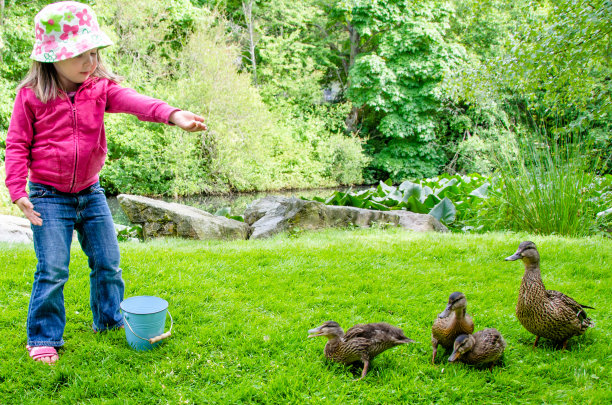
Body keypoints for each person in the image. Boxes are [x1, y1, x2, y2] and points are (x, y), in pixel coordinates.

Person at [4, 1, 207, 365]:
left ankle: (110, 322)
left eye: (94, 53)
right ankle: (44, 337)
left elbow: (134, 101)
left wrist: (173, 114)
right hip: (48, 196)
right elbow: (17, 144)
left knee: (108, 262)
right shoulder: (31, 95)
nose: (89, 61)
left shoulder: (99, 88)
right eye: (81, 54)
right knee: (52, 268)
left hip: (90, 192)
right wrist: (18, 191)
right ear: (52, 56)